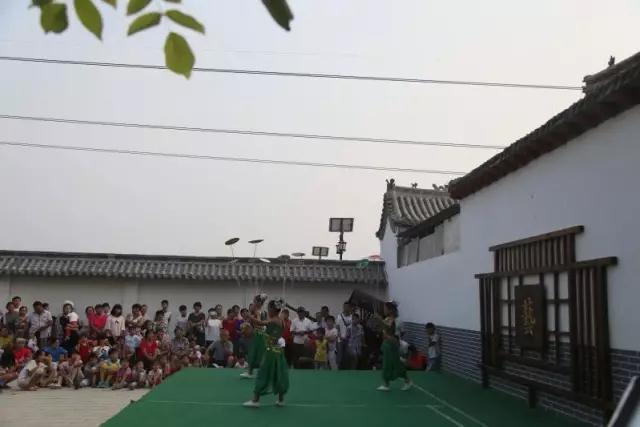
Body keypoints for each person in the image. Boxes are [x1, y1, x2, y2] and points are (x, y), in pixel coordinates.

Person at [243, 298, 289, 407]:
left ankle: (255, 400)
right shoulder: (281, 319)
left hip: (271, 351)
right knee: (278, 374)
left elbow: (260, 323)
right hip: (278, 351)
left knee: (262, 373)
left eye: (268, 308)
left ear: (273, 309)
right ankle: (281, 399)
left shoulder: (274, 320)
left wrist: (249, 316)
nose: (268, 311)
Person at [377, 326, 412, 391]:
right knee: (385, 371)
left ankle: (408, 382)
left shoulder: (393, 340)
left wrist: (399, 359)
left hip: (394, 359)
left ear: (387, 333)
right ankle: (386, 385)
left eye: (384, 332)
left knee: (400, 371)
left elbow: (395, 351)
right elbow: (382, 349)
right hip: (387, 359)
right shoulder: (386, 340)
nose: (383, 334)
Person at [241, 295, 268, 379]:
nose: (253, 303)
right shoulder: (259, 311)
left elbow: (260, 323)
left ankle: (255, 372)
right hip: (258, 333)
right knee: (254, 353)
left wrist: (250, 318)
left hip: (259, 334)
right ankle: (250, 372)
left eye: (255, 302)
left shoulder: (259, 312)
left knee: (258, 354)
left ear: (259, 303)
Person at [336, 302, 353, 369]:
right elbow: (337, 328)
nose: (346, 308)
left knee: (347, 355)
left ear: (350, 308)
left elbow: (352, 328)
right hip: (340, 339)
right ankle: (339, 368)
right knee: (340, 355)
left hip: (349, 340)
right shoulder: (339, 316)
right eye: (345, 306)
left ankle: (347, 369)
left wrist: (347, 337)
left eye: (347, 307)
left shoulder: (352, 317)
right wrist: (340, 336)